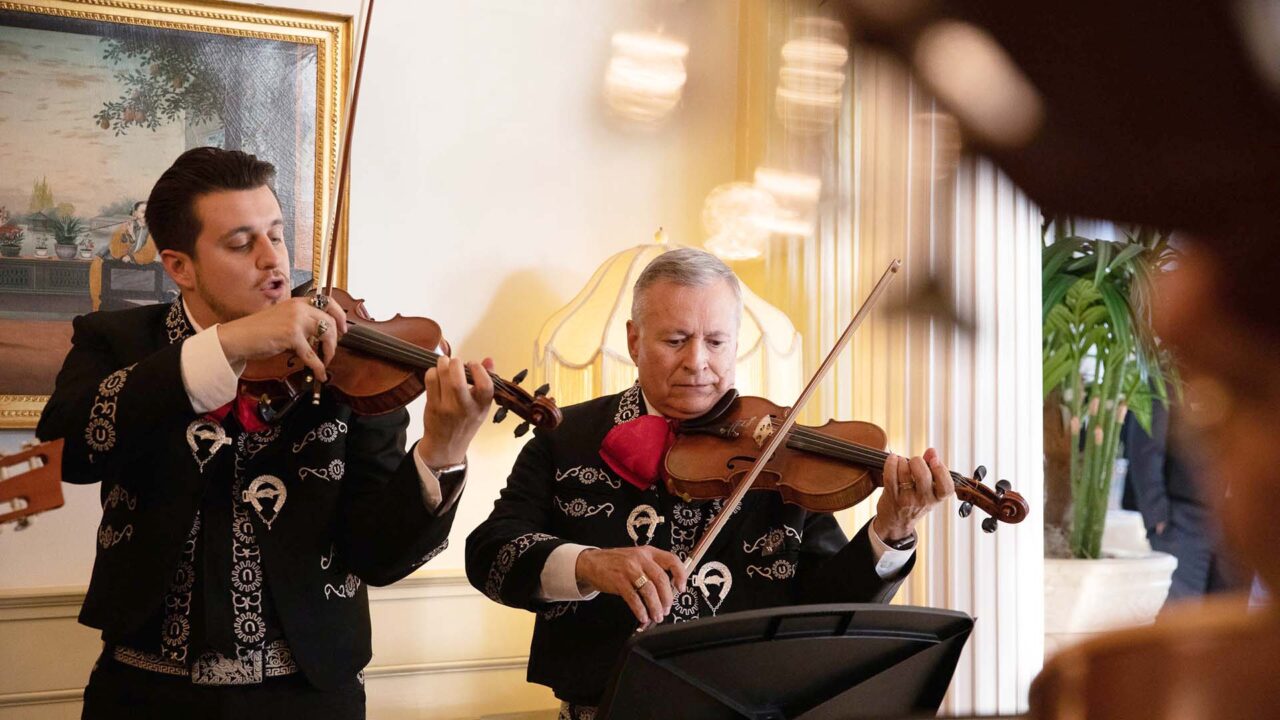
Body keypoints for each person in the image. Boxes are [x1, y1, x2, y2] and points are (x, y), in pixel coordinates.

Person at [37, 147, 494, 719]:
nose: (272, 262)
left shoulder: (352, 361)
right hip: (143, 689)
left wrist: (443, 450)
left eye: (276, 236)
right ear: (180, 266)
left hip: (309, 693)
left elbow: (379, 557)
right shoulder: (117, 341)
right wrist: (228, 345)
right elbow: (66, 449)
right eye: (239, 244)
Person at [465, 247, 954, 716]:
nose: (697, 362)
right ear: (635, 340)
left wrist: (891, 531)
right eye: (675, 340)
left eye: (716, 342)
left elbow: (828, 612)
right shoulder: (564, 437)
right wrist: (589, 565)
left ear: (734, 344)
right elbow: (489, 554)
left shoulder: (781, 454)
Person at [1123, 397, 1246, 605]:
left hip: (1238, 524)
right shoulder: (1171, 373)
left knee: (1229, 618)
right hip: (1182, 519)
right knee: (1180, 617)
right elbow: (1146, 446)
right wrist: (1157, 515)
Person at [89, 200, 159, 311]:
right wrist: (130, 236)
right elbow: (116, 252)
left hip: (127, 269)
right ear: (134, 213)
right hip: (104, 263)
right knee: (101, 296)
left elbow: (149, 254)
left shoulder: (152, 231)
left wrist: (131, 257)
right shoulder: (124, 227)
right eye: (143, 212)